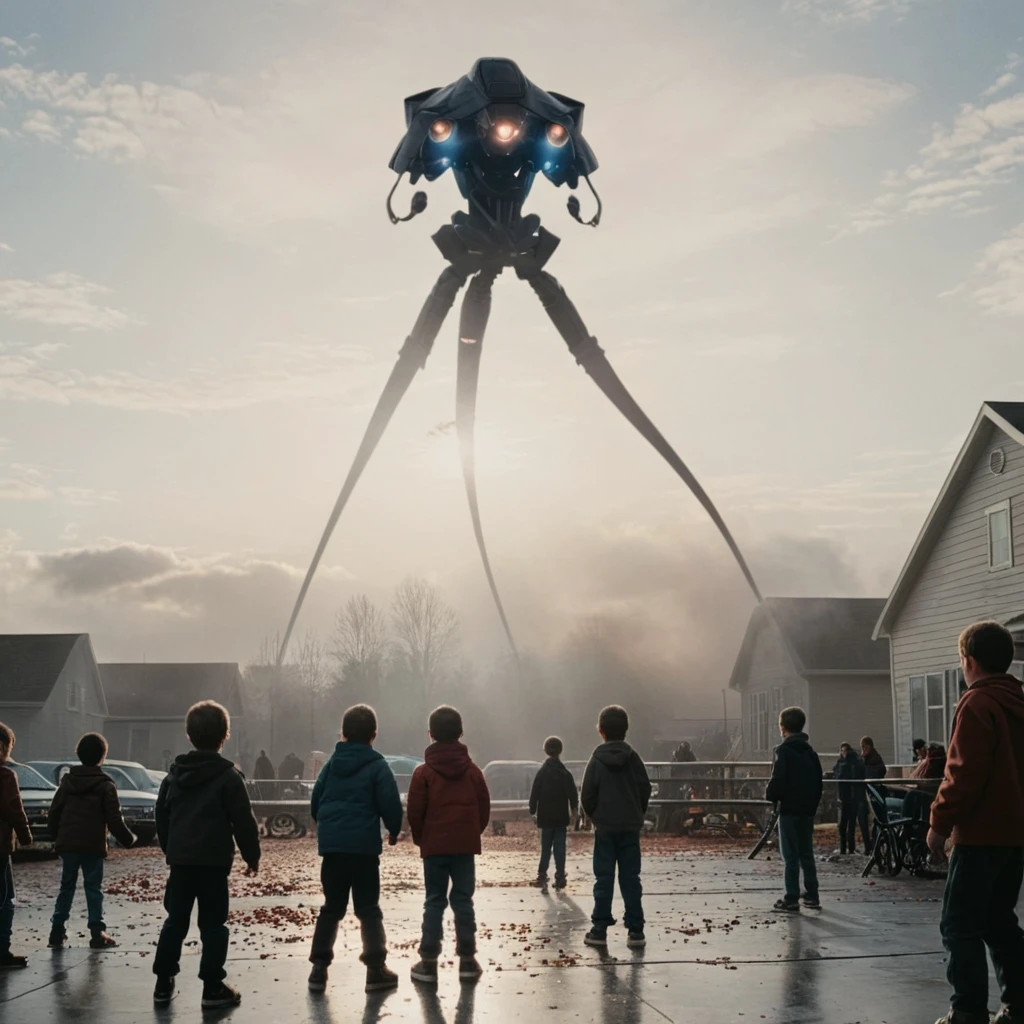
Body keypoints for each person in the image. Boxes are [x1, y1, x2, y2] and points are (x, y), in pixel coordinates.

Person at [928, 621, 1024, 1024]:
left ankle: (967, 1009)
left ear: (969, 661)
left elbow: (962, 773)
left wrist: (939, 823)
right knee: (1000, 921)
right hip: (1015, 835)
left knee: (959, 924)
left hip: (980, 833)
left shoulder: (976, 703)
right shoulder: (1018, 701)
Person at [153, 700, 261, 1009]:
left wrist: (170, 848)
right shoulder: (228, 777)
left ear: (189, 735)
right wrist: (251, 856)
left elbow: (162, 817)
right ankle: (212, 986)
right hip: (213, 863)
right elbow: (243, 820)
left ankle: (163, 982)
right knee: (214, 925)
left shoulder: (172, 777)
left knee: (175, 920)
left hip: (182, 862)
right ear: (224, 735)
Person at [307, 704, 404, 995]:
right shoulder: (377, 765)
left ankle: (318, 969)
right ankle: (375, 970)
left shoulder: (332, 764)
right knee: (368, 909)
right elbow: (389, 802)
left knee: (331, 908)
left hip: (334, 850)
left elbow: (316, 800)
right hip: (363, 850)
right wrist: (394, 829)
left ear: (344, 733)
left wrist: (326, 827)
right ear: (373, 735)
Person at [407, 705, 490, 986]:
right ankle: (467, 959)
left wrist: (423, 838)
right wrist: (470, 833)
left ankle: (428, 962)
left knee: (434, 900)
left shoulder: (423, 773)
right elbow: (483, 808)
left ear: (430, 734)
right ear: (461, 733)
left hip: (435, 847)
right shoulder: (473, 771)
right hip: (464, 847)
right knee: (463, 900)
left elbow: (415, 813)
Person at [47, 732, 136, 950]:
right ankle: (97, 932)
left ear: (79, 754)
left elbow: (54, 812)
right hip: (92, 844)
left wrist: (55, 837)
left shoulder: (67, 782)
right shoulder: (106, 785)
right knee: (93, 888)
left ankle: (57, 931)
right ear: (102, 757)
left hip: (68, 843)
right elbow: (114, 819)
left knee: (66, 886)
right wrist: (129, 839)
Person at [580, 704, 652, 949]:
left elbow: (587, 794)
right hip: (630, 827)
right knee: (631, 878)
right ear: (626, 729)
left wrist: (596, 816)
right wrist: (636, 812)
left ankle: (599, 929)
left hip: (606, 828)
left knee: (604, 877)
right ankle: (636, 930)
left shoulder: (596, 759)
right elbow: (645, 788)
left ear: (601, 731)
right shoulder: (633, 758)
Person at [765, 706, 823, 912]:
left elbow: (778, 779)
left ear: (783, 727)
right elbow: (819, 780)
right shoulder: (810, 752)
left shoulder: (783, 751)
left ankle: (791, 897)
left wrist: (770, 795)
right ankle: (812, 895)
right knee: (806, 852)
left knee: (790, 855)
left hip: (789, 808)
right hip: (807, 809)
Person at [528, 736, 579, 892]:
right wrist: (574, 812)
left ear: (545, 750)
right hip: (560, 817)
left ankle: (542, 875)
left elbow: (534, 793)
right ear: (560, 750)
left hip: (545, 816)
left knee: (545, 848)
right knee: (559, 848)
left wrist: (532, 811)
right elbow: (573, 794)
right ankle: (560, 876)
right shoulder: (564, 773)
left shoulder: (542, 772)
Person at [0, 722, 32, 969]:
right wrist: (25, 836)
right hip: (0, 847)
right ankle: (2, 951)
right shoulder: (6, 776)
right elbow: (13, 809)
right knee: (4, 899)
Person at [833, 742, 869, 855]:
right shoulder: (847, 762)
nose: (843, 753)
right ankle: (847, 847)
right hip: (847, 797)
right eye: (841, 751)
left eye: (844, 751)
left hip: (850, 797)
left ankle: (848, 848)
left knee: (848, 824)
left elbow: (842, 775)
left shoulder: (850, 763)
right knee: (847, 824)